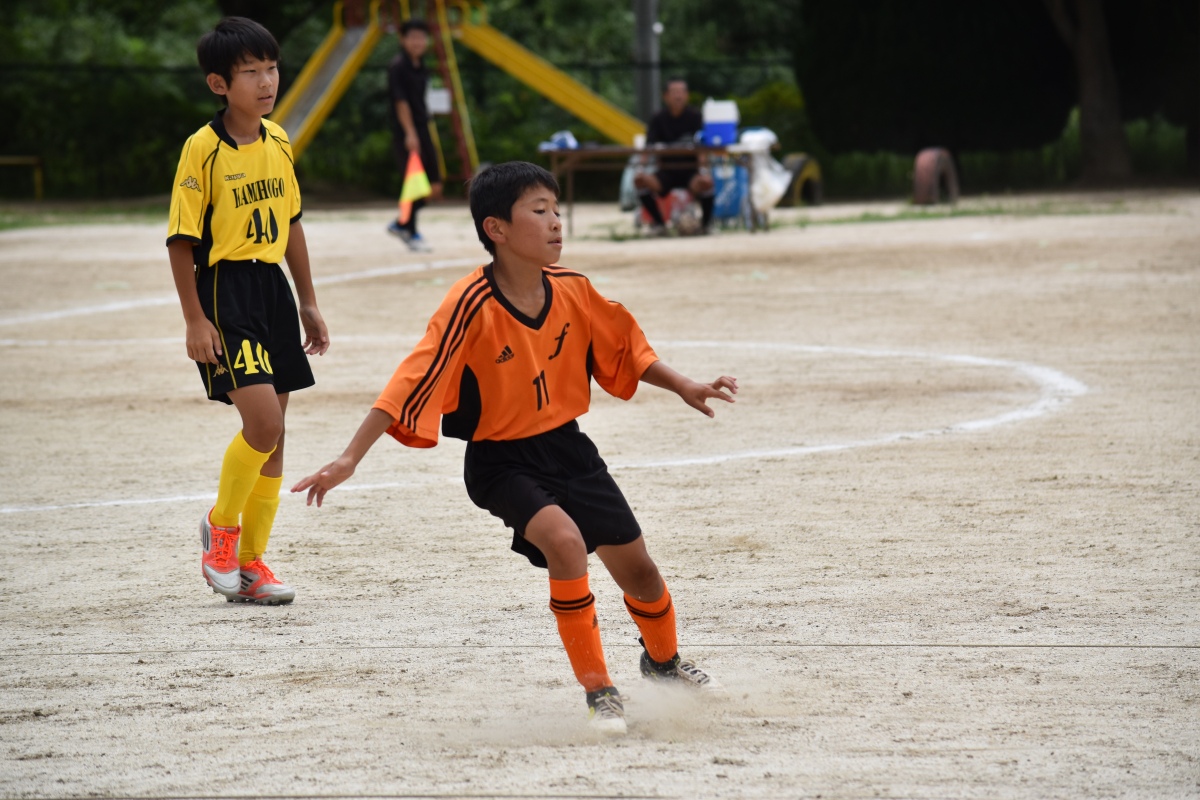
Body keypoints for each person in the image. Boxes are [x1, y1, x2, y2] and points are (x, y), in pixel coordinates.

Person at [292, 162, 737, 734]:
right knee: (565, 543)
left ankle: (663, 662)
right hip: (501, 461)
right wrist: (349, 458)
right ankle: (600, 691)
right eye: (539, 210)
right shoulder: (469, 303)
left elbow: (626, 349)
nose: (555, 222)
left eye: (557, 209)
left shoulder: (572, 287)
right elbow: (409, 381)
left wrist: (683, 384)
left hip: (569, 449)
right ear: (496, 228)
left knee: (642, 573)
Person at [166, 16, 330, 606]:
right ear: (219, 84)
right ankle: (221, 529)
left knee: (276, 436)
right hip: (224, 290)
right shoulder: (203, 149)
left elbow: (292, 224)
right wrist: (194, 319)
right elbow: (181, 240)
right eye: (251, 72)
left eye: (272, 68)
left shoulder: (279, 140)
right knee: (262, 425)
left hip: (272, 291)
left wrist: (307, 300)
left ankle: (253, 563)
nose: (267, 82)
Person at [386, 18, 443, 252]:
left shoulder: (422, 66)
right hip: (408, 131)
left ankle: (402, 224)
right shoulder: (398, 67)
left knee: (435, 185)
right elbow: (401, 102)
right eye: (412, 37)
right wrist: (410, 134)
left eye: (421, 37)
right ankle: (409, 229)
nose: (417, 42)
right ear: (403, 39)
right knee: (416, 183)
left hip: (423, 128)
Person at [634, 77, 716, 234]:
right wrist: (640, 170)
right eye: (674, 92)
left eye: (681, 92)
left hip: (690, 171)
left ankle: (706, 225)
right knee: (640, 181)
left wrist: (704, 171)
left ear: (687, 95)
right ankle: (659, 225)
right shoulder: (658, 118)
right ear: (665, 96)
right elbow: (647, 147)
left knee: (706, 182)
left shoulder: (695, 116)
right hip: (666, 171)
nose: (678, 96)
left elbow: (702, 148)